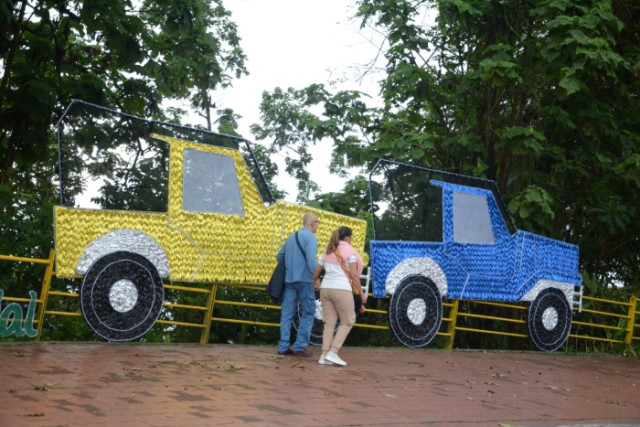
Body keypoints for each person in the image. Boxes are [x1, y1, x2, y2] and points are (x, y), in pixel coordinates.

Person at [312, 226, 366, 366]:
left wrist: (316, 281)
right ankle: (333, 352)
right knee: (348, 320)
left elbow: (316, 271)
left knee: (329, 323)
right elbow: (354, 275)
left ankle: (324, 355)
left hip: (325, 289)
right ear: (348, 237)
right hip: (341, 288)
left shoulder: (328, 250)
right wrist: (361, 293)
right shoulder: (350, 252)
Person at [276, 212, 320, 357]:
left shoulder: (290, 238)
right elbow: (311, 260)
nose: (318, 225)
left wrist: (291, 264)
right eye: (317, 222)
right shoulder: (311, 238)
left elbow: (279, 256)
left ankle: (283, 346)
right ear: (312, 223)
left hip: (289, 280)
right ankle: (300, 346)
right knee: (308, 311)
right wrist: (316, 278)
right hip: (306, 280)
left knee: (287, 314)